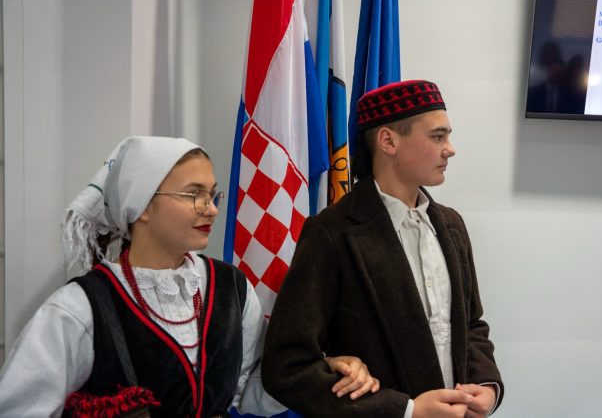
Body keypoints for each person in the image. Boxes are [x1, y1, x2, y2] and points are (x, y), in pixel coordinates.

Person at [0, 136, 380, 417]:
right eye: (194, 194)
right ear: (142, 205)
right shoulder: (81, 307)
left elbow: (253, 389)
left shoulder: (231, 288)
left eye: (213, 195)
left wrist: (322, 370)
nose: (211, 209)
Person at [262, 80, 504, 417]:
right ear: (388, 141)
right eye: (437, 137)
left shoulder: (451, 226)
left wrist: (487, 385)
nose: (450, 149)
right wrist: (404, 410)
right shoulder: (332, 233)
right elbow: (287, 366)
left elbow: (471, 324)